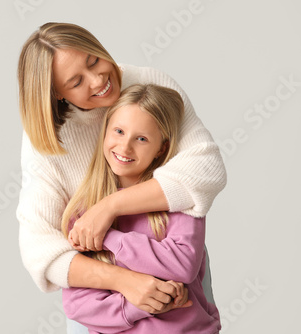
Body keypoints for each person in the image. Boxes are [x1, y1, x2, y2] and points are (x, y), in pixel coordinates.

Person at [17, 22, 226, 333]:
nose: (99, 79)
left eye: (93, 60)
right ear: (57, 95)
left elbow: (205, 169)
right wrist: (128, 283)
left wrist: (108, 208)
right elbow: (40, 250)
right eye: (76, 82)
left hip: (176, 294)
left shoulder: (147, 84)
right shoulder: (47, 142)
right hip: (102, 297)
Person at [61, 84, 221, 333]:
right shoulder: (83, 213)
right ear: (105, 132)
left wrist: (107, 237)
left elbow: (182, 265)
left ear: (161, 148)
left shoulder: (178, 199)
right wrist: (144, 303)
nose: (125, 148)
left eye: (142, 138)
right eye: (119, 131)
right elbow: (78, 306)